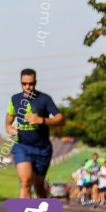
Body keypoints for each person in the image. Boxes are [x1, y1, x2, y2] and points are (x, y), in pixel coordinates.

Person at [5, 68, 64, 199]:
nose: (28, 87)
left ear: (35, 82)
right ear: (20, 83)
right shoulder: (15, 99)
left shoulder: (45, 99)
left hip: (42, 149)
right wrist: (8, 127)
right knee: (25, 181)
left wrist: (41, 120)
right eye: (24, 84)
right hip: (22, 146)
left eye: (31, 84)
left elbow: (60, 119)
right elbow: (9, 117)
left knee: (39, 185)